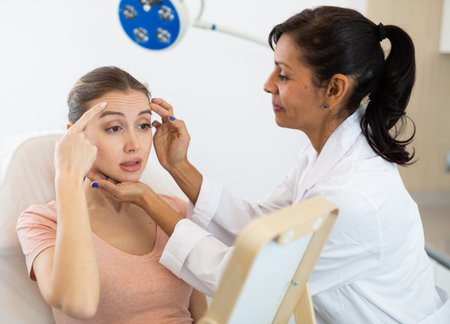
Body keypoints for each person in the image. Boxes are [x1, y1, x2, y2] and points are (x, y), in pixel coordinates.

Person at [92, 6, 449, 324]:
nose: (267, 85)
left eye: (283, 75)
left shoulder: (353, 197)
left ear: (334, 89)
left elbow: (246, 278)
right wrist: (179, 167)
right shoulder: (325, 149)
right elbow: (264, 224)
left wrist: (148, 200)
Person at [16, 66, 207, 323]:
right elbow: (77, 303)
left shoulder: (176, 212)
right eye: (114, 128)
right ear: (75, 136)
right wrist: (68, 177)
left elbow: (206, 316)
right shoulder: (42, 222)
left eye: (143, 125)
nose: (134, 145)